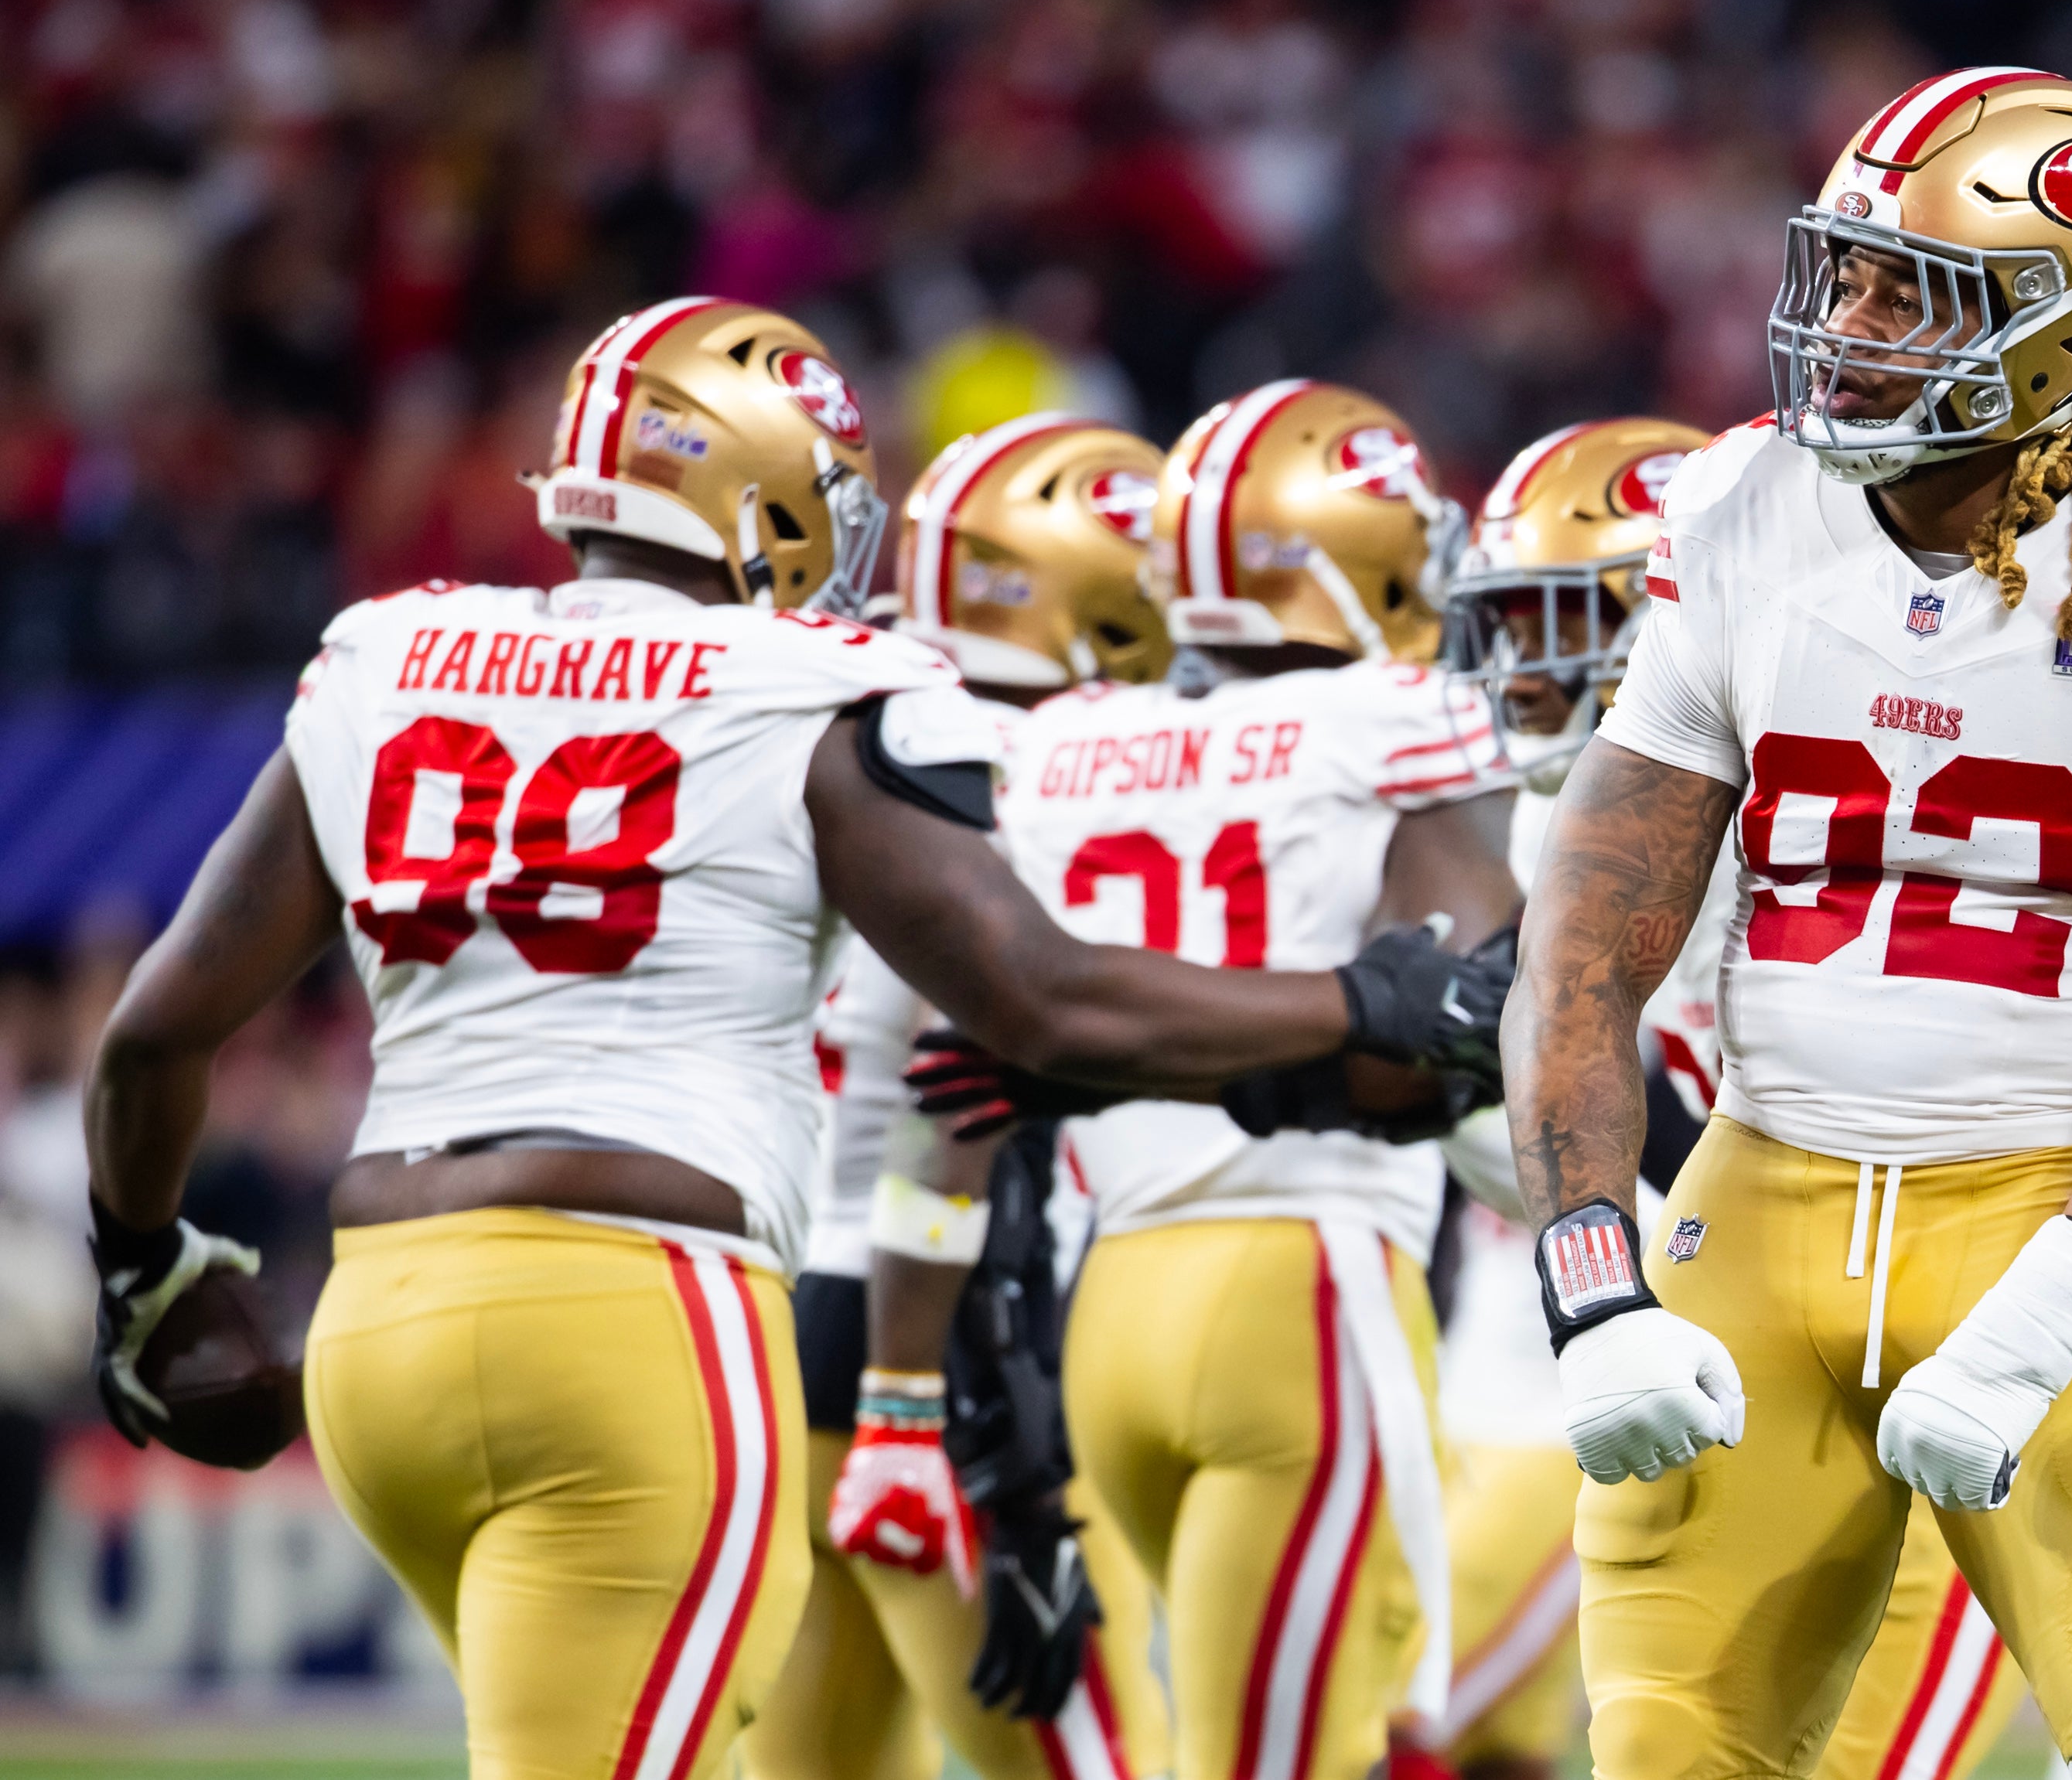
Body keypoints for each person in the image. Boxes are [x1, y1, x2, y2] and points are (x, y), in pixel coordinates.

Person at [80, 302, 1510, 1780]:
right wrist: (1364, 1003)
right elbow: (1038, 1004)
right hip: (637, 1307)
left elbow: (152, 1034)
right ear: (752, 492)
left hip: (383, 1328)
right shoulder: (815, 685)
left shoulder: (386, 651)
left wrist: (141, 1277)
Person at [1504, 68, 2072, 1780]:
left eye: (1917, 291)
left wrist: (2039, 1330)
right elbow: (1582, 948)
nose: (1852, 324)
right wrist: (1591, 1284)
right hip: (1749, 1214)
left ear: (2068, 325)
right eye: (1846, 273)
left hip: (2043, 1219)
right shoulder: (1741, 509)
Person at [1439, 414, 2027, 1780]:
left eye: (1557, 622)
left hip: (1919, 1350)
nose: (1520, 671)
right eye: (1505, 625)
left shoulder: (1827, 786)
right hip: (1736, 1349)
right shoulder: (1567, 816)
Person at [995, 378, 1521, 1780]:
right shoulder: (1398, 716)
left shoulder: (1057, 741)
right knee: (1300, 1745)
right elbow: (1471, 1011)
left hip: (1112, 1297)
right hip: (1304, 1277)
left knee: (1295, 1733)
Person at [742, 414, 1177, 1780]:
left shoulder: (844, 727)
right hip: (931, 1345)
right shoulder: (1029, 767)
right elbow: (964, 1085)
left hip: (782, 1323)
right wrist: (937, 1416)